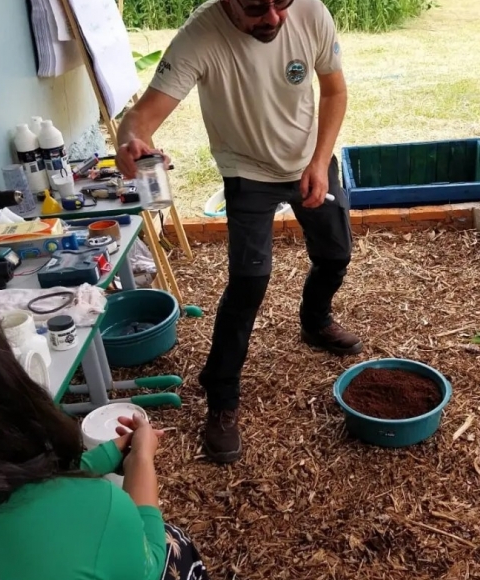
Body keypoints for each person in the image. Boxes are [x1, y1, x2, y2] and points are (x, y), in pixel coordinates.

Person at [115, 0, 361, 464]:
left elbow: (333, 92)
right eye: (254, 7)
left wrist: (319, 162)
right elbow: (142, 116)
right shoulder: (199, 37)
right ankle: (221, 396)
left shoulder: (312, 13)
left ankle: (314, 321)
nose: (272, 17)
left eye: (280, 3)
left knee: (336, 254)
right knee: (249, 283)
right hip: (247, 171)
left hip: (312, 159)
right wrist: (131, 141)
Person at [0, 290, 208, 580]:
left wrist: (106, 455)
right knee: (176, 547)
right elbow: (151, 563)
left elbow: (12, 483)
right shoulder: (98, 510)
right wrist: (142, 461)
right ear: (8, 390)